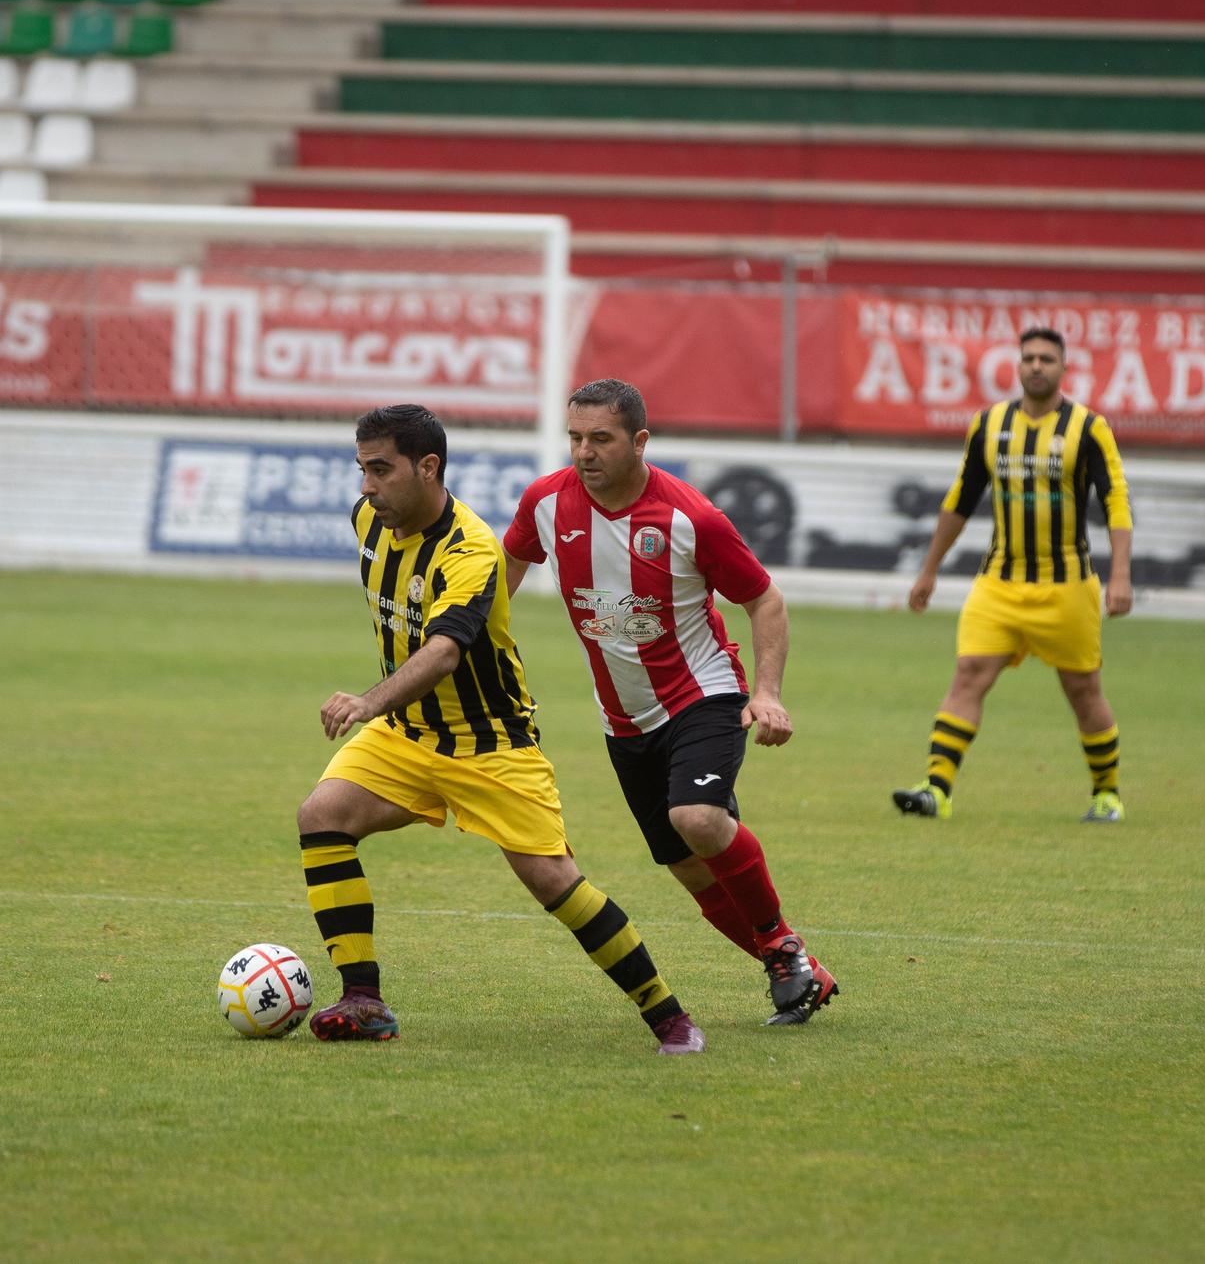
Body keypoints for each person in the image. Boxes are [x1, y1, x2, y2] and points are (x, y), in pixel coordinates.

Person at [297, 403, 705, 1053]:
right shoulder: (368, 522)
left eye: (381, 469)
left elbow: (445, 650)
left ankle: (669, 1016)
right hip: (408, 734)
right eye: (361, 469)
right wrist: (387, 710)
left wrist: (370, 701)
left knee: (553, 880)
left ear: (428, 467)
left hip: (493, 744)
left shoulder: (472, 549)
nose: (366, 486)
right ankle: (363, 998)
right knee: (322, 815)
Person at [504, 379, 839, 1027]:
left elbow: (764, 599)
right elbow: (501, 578)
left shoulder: (690, 518)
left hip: (703, 694)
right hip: (622, 721)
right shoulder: (545, 503)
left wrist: (766, 692)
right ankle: (794, 967)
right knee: (690, 869)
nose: (585, 452)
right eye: (576, 438)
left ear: (639, 441)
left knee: (697, 818)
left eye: (600, 438)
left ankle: (778, 942)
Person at [891, 325, 1133, 824]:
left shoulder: (1089, 428)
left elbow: (1115, 501)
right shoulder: (990, 424)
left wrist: (1121, 574)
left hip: (1067, 588)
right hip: (999, 584)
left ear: (1063, 368)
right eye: (1029, 358)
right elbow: (960, 500)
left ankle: (1106, 794)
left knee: (1083, 690)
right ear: (1018, 366)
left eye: (1047, 358)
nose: (1037, 366)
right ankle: (937, 788)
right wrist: (928, 570)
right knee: (967, 676)